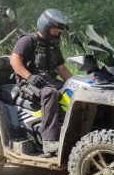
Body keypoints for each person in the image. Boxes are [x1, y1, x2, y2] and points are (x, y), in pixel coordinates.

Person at [10, 9, 73, 157]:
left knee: (74, 90)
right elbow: (14, 60)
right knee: (50, 93)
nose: (57, 34)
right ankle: (49, 141)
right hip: (28, 83)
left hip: (48, 80)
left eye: (58, 31)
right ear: (44, 27)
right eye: (54, 30)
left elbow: (62, 69)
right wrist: (29, 76)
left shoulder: (54, 47)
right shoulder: (28, 40)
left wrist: (74, 83)